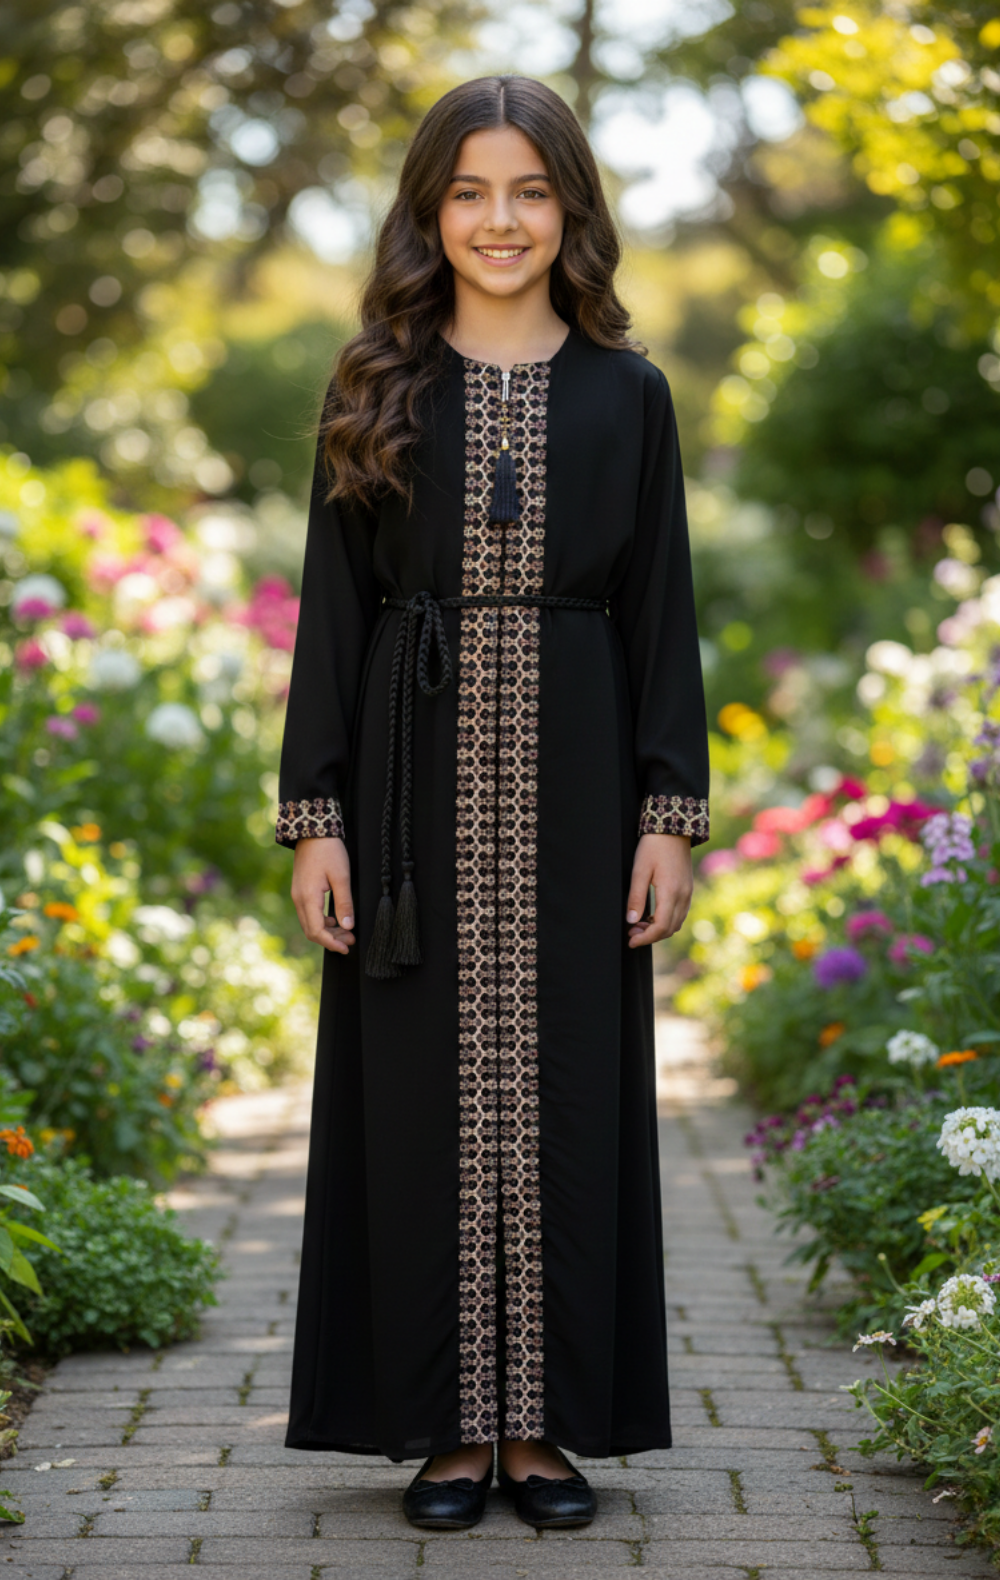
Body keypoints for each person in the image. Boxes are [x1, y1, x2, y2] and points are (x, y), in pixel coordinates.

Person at [275, 72, 710, 1533]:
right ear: (429, 211)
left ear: (571, 207)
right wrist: (315, 816)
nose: (501, 219)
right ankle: (446, 1430)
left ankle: (545, 1427)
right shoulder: (375, 387)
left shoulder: (627, 396)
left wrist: (671, 811)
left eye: (530, 190)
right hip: (409, 791)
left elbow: (663, 614)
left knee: (570, 1087)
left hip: (583, 782)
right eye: (470, 191)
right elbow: (333, 618)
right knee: (417, 1092)